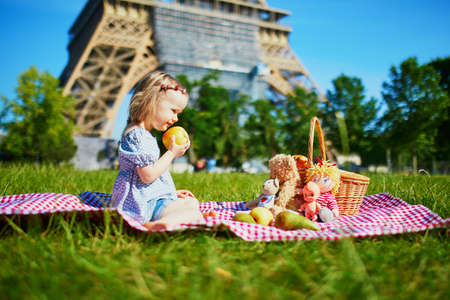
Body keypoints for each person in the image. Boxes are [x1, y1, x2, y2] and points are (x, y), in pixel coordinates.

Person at [111, 71, 204, 230]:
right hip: (142, 204)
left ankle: (174, 217)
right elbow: (147, 176)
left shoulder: (139, 133)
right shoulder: (138, 136)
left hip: (148, 198)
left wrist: (169, 193)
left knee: (192, 202)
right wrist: (171, 153)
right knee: (194, 212)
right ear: (150, 101)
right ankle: (161, 224)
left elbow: (146, 178)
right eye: (173, 110)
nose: (176, 119)